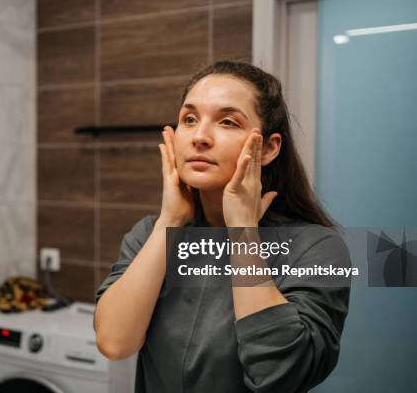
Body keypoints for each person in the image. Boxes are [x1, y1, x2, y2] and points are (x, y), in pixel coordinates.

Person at [93, 61, 352, 392]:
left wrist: (242, 230)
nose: (200, 137)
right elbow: (114, 343)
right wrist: (168, 222)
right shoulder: (148, 235)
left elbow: (281, 374)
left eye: (228, 122)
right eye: (189, 119)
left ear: (270, 148)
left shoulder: (317, 247)